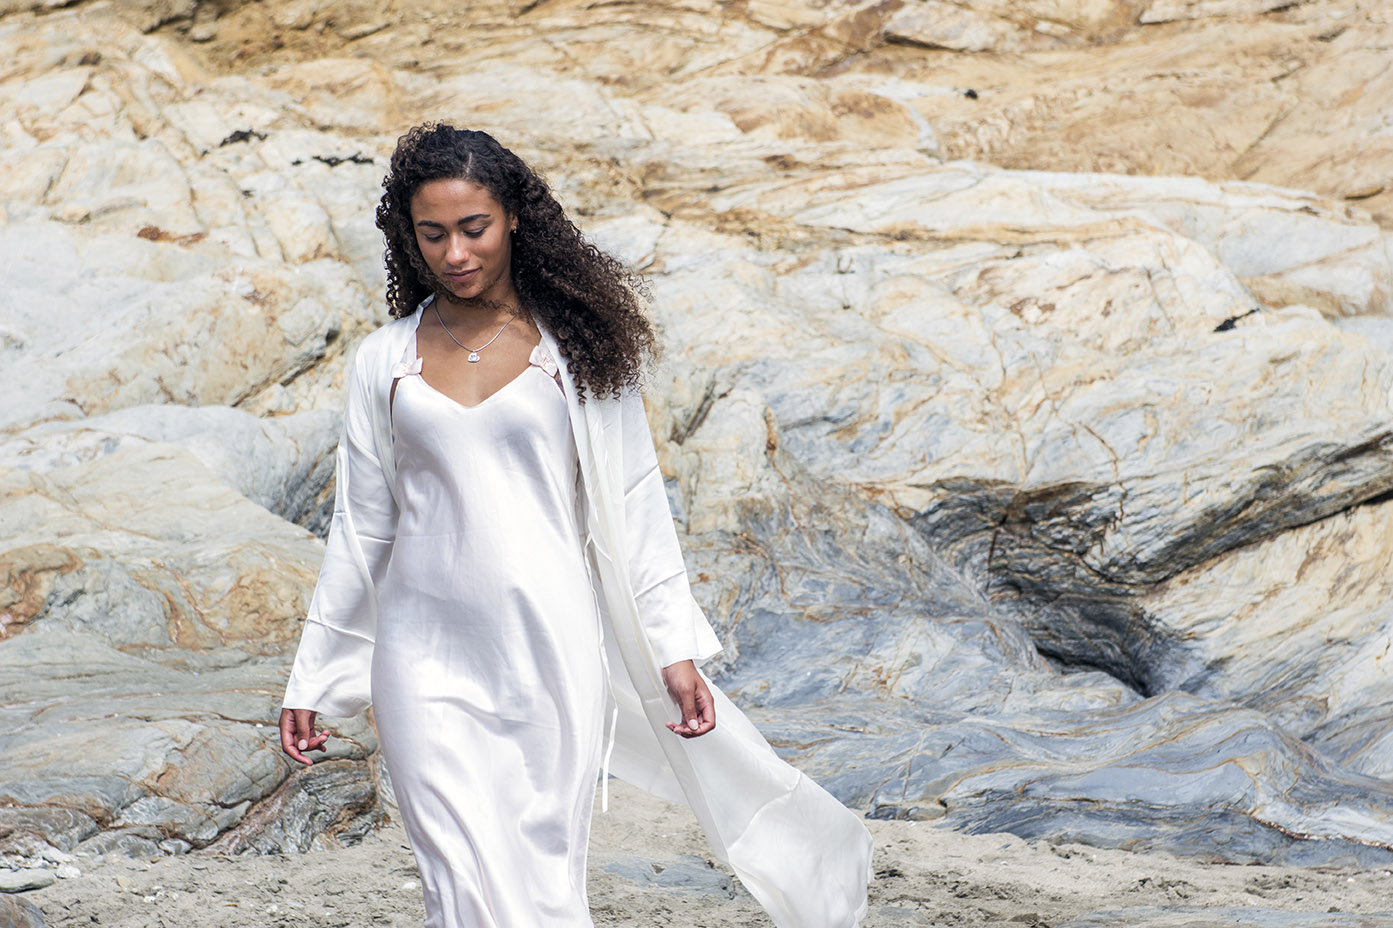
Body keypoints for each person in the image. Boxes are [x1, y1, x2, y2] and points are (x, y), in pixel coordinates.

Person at [278, 123, 872, 928]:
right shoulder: (382, 360)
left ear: (514, 218)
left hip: (547, 648)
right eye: (433, 234)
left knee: (540, 872)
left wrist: (671, 648)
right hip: (420, 657)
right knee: (454, 877)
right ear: (408, 238)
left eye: (474, 227)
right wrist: (314, 676)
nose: (456, 252)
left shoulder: (578, 353)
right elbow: (362, 529)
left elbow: (631, 504)